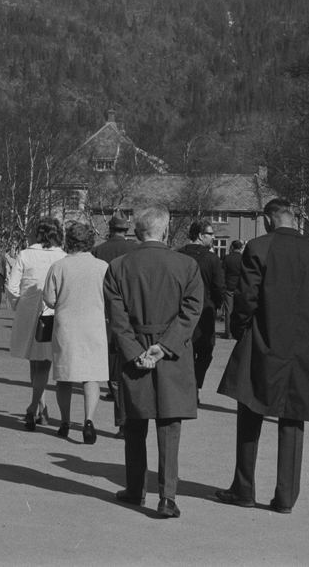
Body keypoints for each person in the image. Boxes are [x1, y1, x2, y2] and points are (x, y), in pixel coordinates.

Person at [215, 198, 309, 514]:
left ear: (270, 218)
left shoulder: (258, 246)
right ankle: (285, 497)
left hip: (264, 339)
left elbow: (246, 298)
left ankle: (243, 488)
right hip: (305, 348)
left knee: (249, 408)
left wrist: (241, 328)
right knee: (293, 418)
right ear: (293, 218)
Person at [104, 207, 203, 519]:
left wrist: (135, 352)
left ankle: (135, 489)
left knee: (134, 425)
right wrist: (166, 345)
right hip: (172, 353)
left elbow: (117, 320)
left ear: (137, 231)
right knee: (169, 427)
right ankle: (167, 497)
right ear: (166, 229)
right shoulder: (187, 264)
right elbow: (192, 311)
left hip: (135, 351)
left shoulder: (118, 266)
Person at [42, 222, 109, 443]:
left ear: (68, 241)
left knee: (65, 376)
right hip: (94, 326)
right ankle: (89, 420)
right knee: (91, 377)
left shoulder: (59, 267)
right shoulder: (102, 267)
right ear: (90, 241)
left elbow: (50, 299)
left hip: (66, 326)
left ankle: (65, 421)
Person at [7, 217, 67, 430]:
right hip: (51, 312)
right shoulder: (63, 258)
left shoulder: (25, 255)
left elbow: (12, 287)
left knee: (34, 361)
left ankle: (37, 407)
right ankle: (38, 407)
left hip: (27, 310)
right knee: (43, 362)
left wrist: (18, 306)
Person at [90, 214, 138, 404]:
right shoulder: (135, 249)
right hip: (129, 306)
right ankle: (124, 387)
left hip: (104, 307)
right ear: (127, 230)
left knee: (109, 350)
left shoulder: (97, 251)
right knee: (125, 348)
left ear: (109, 229)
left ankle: (113, 384)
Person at [177, 220, 225, 394]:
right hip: (205, 309)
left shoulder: (178, 255)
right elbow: (219, 286)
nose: (213, 237)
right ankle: (195, 383)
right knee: (205, 350)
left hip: (181, 309)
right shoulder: (212, 259)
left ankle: (188, 385)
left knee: (184, 348)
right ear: (200, 235)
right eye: (210, 234)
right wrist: (217, 305)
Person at [221, 240, 244, 338]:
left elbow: (222, 273)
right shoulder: (243, 259)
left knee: (228, 311)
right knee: (240, 310)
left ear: (232, 247)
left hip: (229, 287)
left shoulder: (227, 258)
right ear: (241, 248)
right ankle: (239, 332)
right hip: (240, 287)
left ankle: (228, 333)